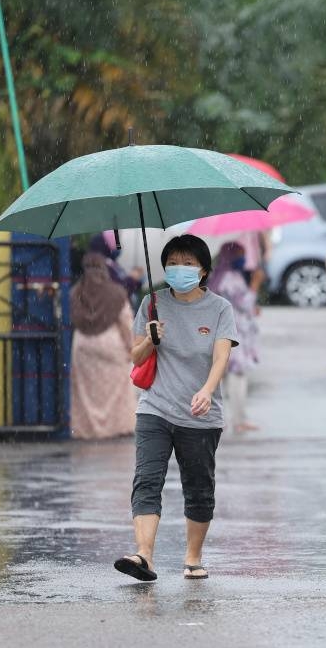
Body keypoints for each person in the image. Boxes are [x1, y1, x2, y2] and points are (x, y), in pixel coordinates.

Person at [113, 234, 238, 582]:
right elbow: (134, 357)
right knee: (147, 480)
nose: (178, 269)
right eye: (172, 263)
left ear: (203, 271)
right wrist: (151, 340)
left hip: (201, 413)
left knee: (198, 487)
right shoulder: (151, 303)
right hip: (155, 407)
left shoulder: (219, 308)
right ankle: (144, 556)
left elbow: (221, 356)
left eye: (187, 263)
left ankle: (193, 556)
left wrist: (207, 390)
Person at [69, 253, 137, 440]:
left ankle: (88, 430)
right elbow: (126, 323)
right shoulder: (117, 293)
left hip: (83, 345)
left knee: (85, 393)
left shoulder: (76, 292)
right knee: (117, 389)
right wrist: (132, 348)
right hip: (110, 345)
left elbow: (70, 319)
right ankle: (117, 428)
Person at [207, 241, 261, 434]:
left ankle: (219, 418)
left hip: (223, 333)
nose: (243, 260)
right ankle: (239, 420)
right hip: (233, 335)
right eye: (240, 255)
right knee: (237, 377)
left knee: (220, 378)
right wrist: (255, 285)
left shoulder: (218, 277)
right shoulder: (231, 279)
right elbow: (243, 304)